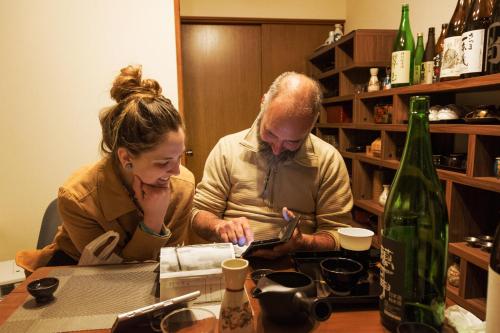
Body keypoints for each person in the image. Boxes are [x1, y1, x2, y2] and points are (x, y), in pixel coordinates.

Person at [16, 65, 196, 272]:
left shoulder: (183, 185)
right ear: (126, 158)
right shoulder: (77, 196)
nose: (175, 170)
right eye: (163, 162)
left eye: (179, 156)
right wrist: (153, 221)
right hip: (78, 272)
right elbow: (113, 277)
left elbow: (168, 264)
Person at [192, 71, 353, 258]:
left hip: (296, 266)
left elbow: (338, 234)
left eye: (292, 142)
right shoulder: (227, 149)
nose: (277, 149)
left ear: (312, 123)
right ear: (263, 103)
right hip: (233, 262)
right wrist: (218, 226)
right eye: (270, 133)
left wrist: (303, 242)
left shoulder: (328, 160)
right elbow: (198, 215)